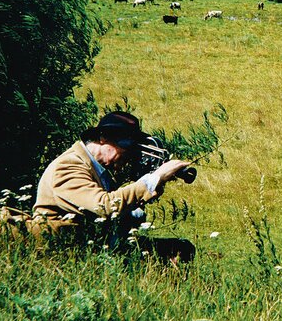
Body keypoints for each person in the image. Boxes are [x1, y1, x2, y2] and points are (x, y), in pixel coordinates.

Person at [30, 111, 194, 261]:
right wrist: (153, 179)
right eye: (125, 147)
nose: (127, 156)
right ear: (102, 138)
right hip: (63, 251)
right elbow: (104, 206)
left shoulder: (96, 169)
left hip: (92, 245)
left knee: (181, 249)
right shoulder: (68, 165)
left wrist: (153, 185)